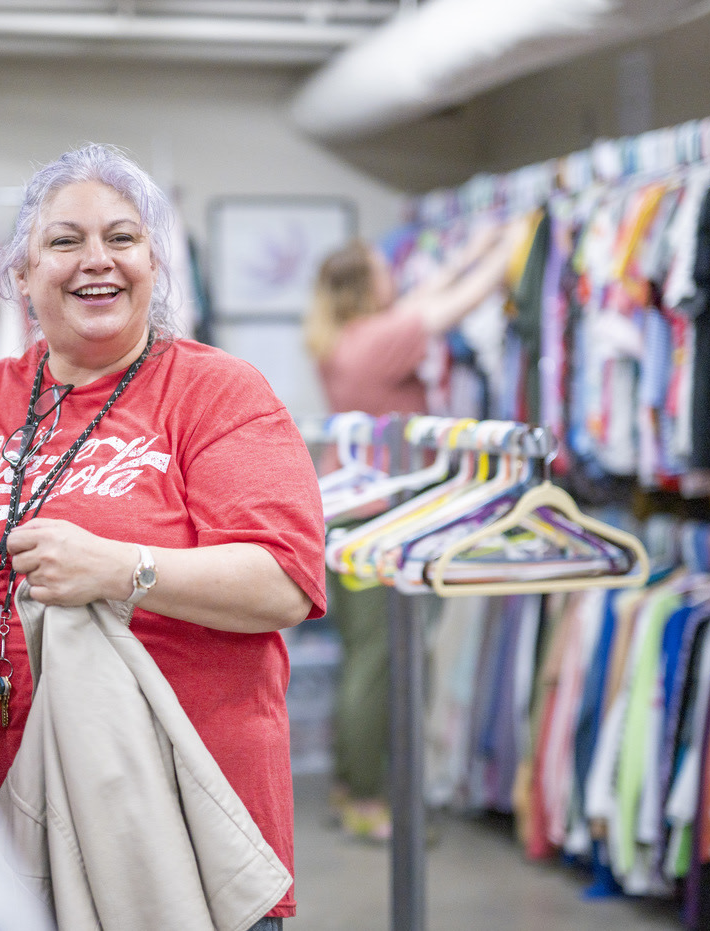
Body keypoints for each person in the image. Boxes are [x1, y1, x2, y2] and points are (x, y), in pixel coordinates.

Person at [0, 143, 326, 927]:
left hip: (173, 841)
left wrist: (122, 568)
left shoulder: (217, 393)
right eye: (65, 240)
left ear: (154, 263)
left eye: (122, 238)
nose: (96, 260)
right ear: (20, 273)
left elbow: (282, 581)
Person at [303, 225, 523, 842]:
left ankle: (352, 785)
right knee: (378, 661)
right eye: (383, 270)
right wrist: (511, 248)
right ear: (364, 285)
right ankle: (369, 799)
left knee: (364, 656)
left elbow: (428, 294)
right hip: (380, 517)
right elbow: (455, 303)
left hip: (349, 511)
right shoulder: (380, 340)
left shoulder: (347, 338)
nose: (394, 277)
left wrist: (474, 248)